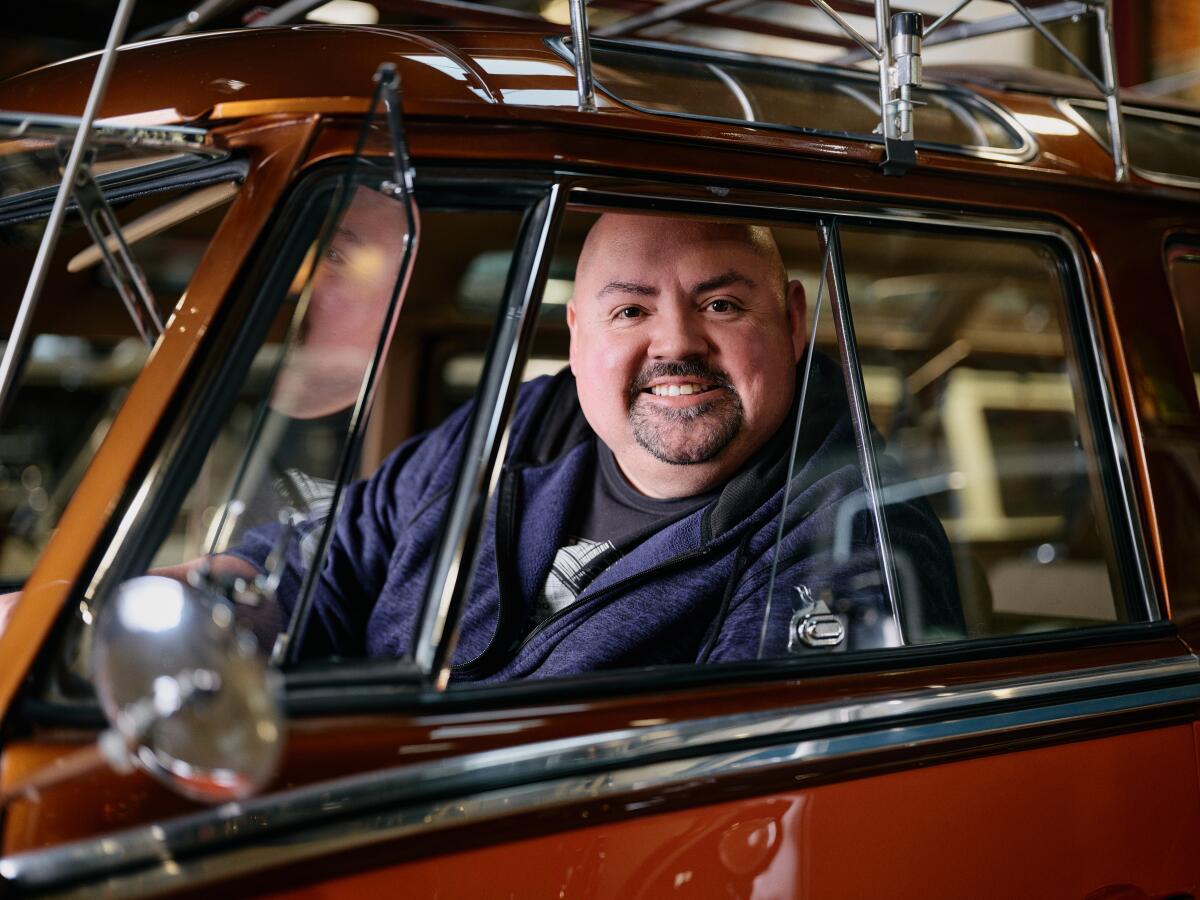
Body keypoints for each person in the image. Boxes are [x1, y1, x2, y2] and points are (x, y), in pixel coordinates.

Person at [229, 213, 962, 677]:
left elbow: (740, 811)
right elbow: (328, 554)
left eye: (722, 305)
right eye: (631, 309)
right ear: (577, 335)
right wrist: (211, 598)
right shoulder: (515, 429)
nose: (675, 342)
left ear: (794, 322)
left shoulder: (852, 535)